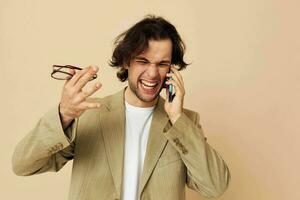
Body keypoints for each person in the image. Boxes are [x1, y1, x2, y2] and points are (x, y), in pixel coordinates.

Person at [12, 15, 230, 200]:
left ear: (172, 69)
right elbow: (23, 165)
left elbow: (215, 186)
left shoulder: (184, 123)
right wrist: (64, 114)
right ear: (127, 62)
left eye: (162, 64)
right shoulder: (88, 115)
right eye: (143, 61)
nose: (153, 74)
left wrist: (177, 118)